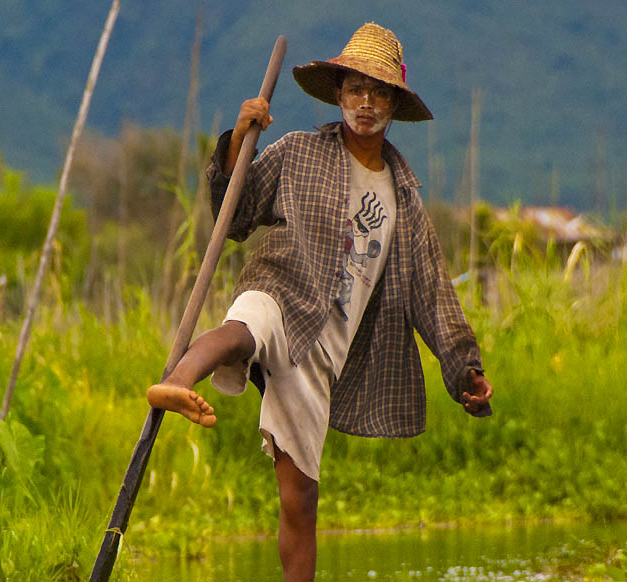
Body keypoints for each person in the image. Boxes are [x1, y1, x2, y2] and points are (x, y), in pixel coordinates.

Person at [146, 22, 494, 581]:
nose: (365, 103)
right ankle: (178, 382)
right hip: (284, 292)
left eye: (379, 92)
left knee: (301, 498)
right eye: (355, 89)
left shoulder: (403, 197)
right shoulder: (299, 152)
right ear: (338, 94)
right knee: (245, 324)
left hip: (322, 357)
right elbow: (234, 216)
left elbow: (432, 290)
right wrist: (239, 140)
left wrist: (465, 371)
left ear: (394, 102)